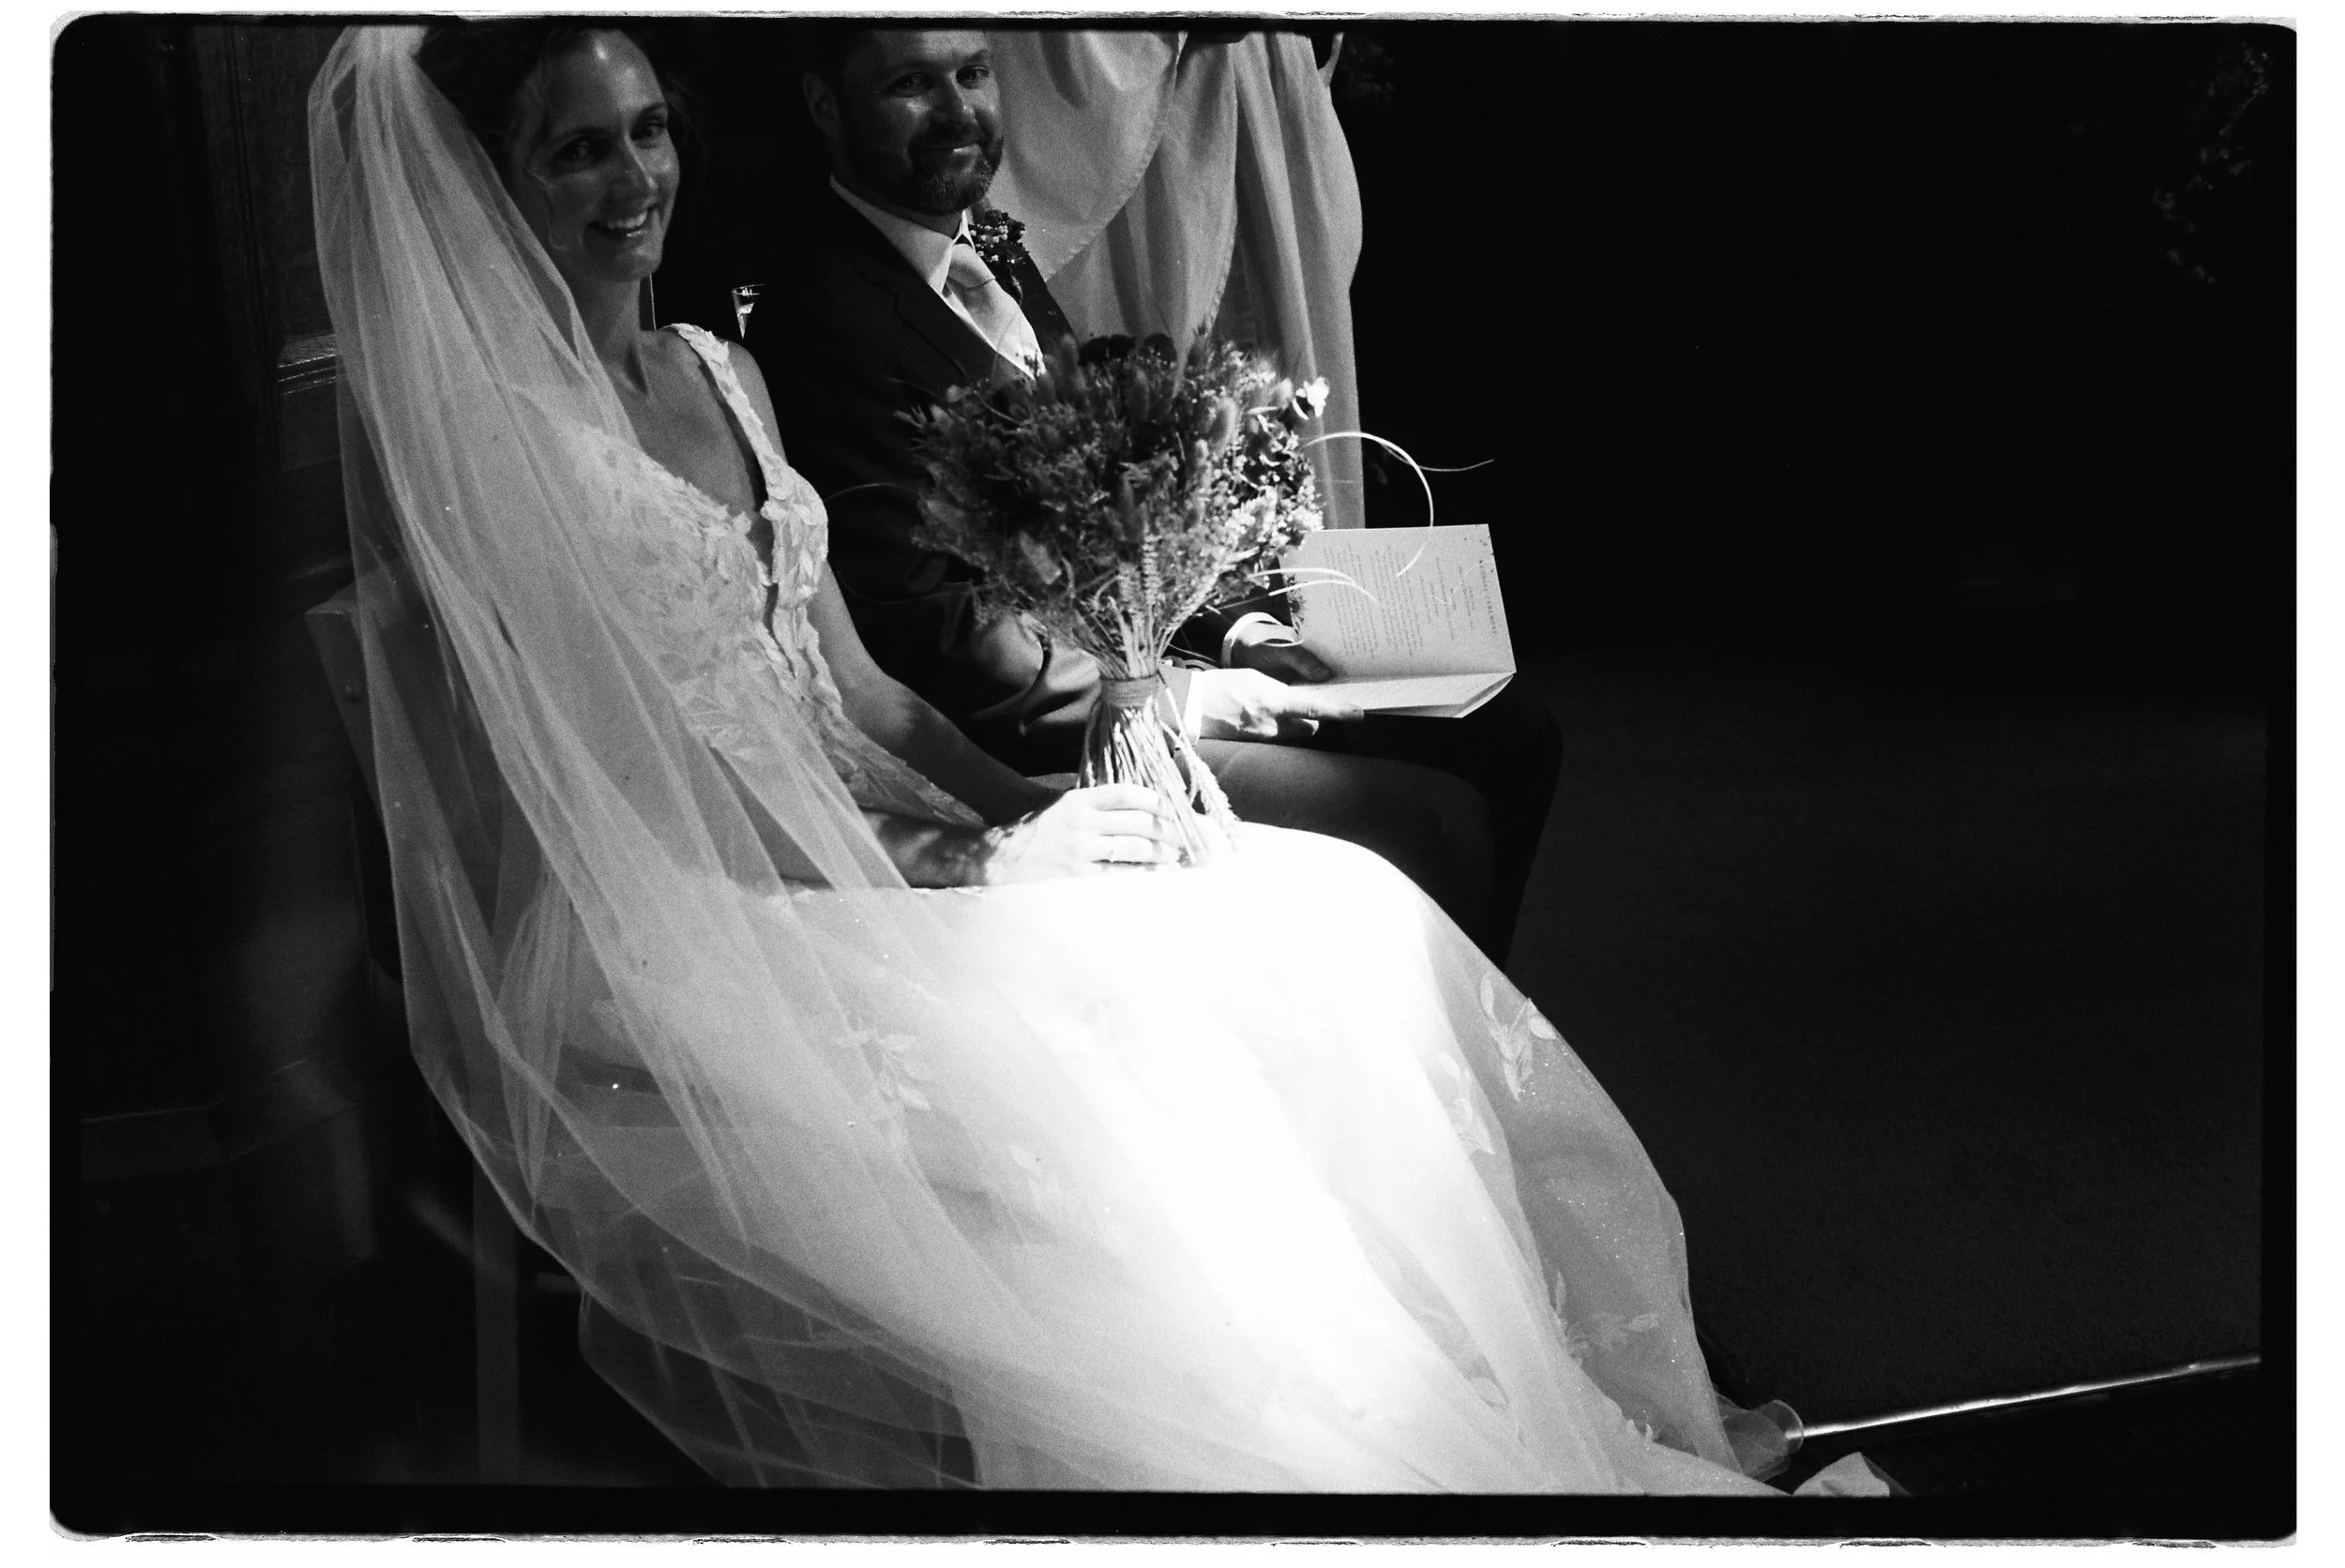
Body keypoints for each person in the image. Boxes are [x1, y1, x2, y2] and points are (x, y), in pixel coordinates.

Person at [311, 20, 1821, 1493]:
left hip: (867, 825)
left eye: (646, 131)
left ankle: (1542, 1365)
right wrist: (984, 866)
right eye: (576, 152)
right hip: (699, 918)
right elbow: (653, 803)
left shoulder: (721, 368)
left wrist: (1048, 812)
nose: (634, 178)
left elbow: (871, 702)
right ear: (491, 186)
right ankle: (1364, 1434)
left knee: (1307, 912)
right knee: (1170, 1024)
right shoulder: (508, 454)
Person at [750, 24, 1564, 965]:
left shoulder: (986, 249)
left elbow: (1103, 515)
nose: (956, 110)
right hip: (1035, 736)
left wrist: (1235, 631)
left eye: (973, 73)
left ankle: (1481, 1053)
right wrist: (1194, 697)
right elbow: (936, 636)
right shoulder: (825, 318)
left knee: (1510, 732)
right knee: (1426, 816)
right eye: (909, 84)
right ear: (824, 106)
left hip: (1146, 661)